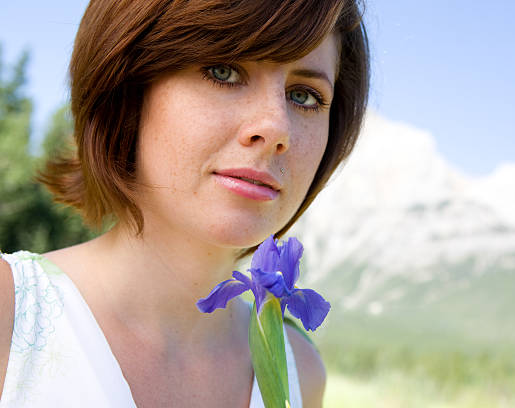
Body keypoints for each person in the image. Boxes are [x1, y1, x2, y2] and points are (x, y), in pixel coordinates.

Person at [0, 0, 369, 406]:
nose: (276, 127)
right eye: (224, 71)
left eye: (304, 96)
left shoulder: (302, 371)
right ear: (128, 88)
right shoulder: (9, 315)